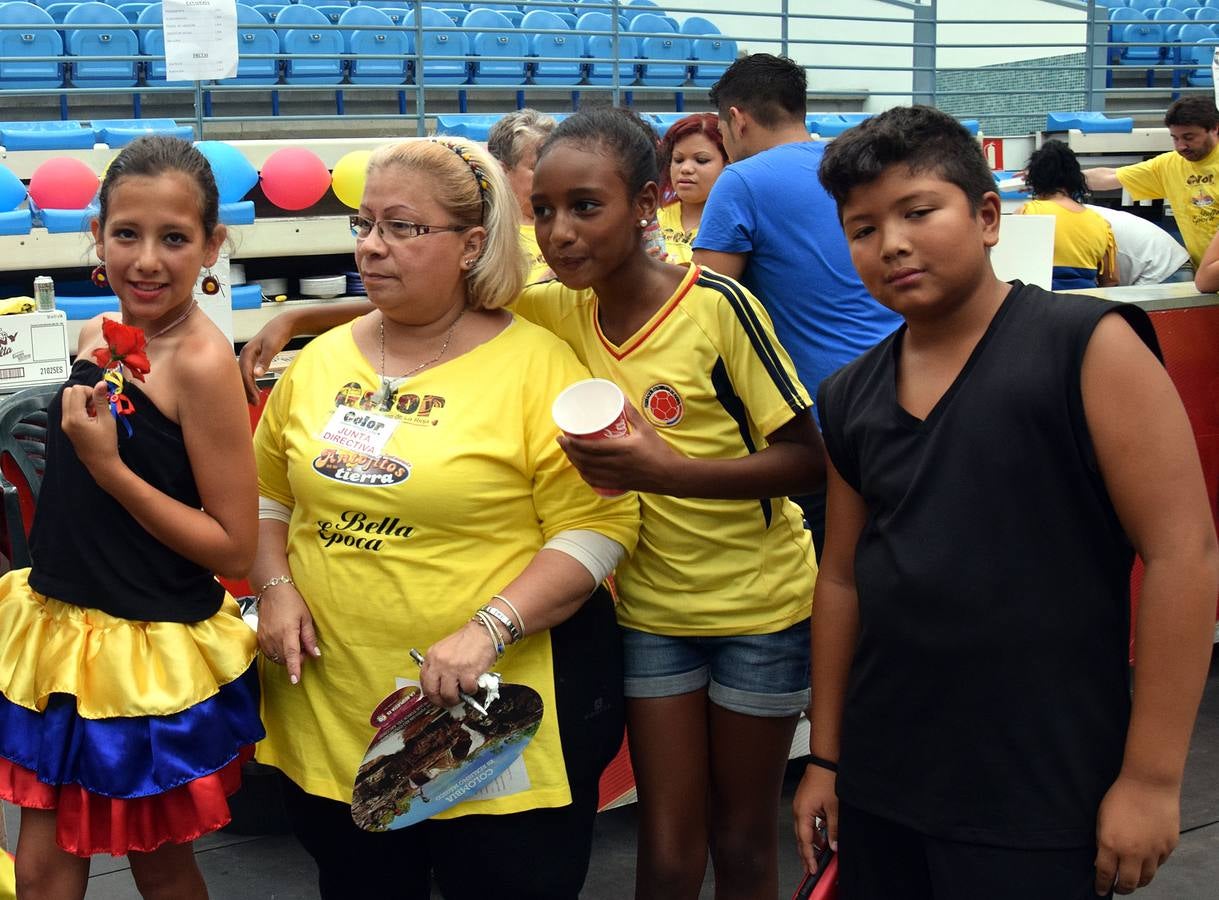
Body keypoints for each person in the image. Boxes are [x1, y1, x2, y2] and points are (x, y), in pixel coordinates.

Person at [794, 106, 1219, 900]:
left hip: (1040, 783)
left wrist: (1152, 778)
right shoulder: (848, 394)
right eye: (862, 229)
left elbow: (1182, 554)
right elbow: (842, 578)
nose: (891, 243)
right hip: (885, 777)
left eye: (918, 211)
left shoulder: (1086, 346)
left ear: (987, 217)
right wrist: (826, 757)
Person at [249, 137, 640, 900]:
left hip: (489, 721)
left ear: (469, 245)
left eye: (401, 227)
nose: (371, 245)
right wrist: (274, 586)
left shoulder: (537, 366)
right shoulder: (321, 361)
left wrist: (489, 628)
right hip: (334, 709)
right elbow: (268, 499)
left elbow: (597, 530)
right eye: (364, 224)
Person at [523, 106, 822, 900]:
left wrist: (667, 471)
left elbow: (809, 463)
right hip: (651, 615)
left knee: (742, 836)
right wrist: (310, 317)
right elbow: (451, 309)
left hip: (760, 608)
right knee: (665, 841)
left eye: (586, 206)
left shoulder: (718, 307)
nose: (560, 232)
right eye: (543, 211)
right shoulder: (553, 308)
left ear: (646, 204)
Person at [0, 135, 263, 898]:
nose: (146, 261)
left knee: (159, 862)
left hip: (140, 649)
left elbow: (234, 546)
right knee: (42, 868)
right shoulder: (95, 336)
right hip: (62, 626)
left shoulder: (203, 364)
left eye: (174, 239)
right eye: (127, 234)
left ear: (212, 246)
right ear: (96, 234)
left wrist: (110, 469)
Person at [692, 53, 902, 552]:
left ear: (737, 119)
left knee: (833, 571)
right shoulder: (855, 169)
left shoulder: (741, 180)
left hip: (820, 426)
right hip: (901, 401)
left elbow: (699, 307)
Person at [1084, 96, 1219, 269]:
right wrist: (1061, 178)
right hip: (1205, 272)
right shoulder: (1169, 165)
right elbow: (1110, 177)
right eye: (1175, 138)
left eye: (1189, 137)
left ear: (1215, 128)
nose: (1180, 146)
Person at [1016, 140, 1118, 290]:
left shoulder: (1026, 213)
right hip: (1086, 301)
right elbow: (1110, 282)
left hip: (1038, 299)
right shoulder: (1101, 223)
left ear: (1035, 180)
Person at [487, 107, 558, 283]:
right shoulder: (488, 235)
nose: (554, 175)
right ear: (502, 171)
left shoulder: (576, 223)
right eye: (538, 167)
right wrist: (551, 280)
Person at [655, 112, 728, 264]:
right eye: (678, 160)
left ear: (728, 164)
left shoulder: (734, 225)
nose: (685, 169)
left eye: (701, 160)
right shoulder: (653, 219)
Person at [1086, 203, 1191, 286]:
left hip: (1161, 270)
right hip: (1168, 264)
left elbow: (1110, 281)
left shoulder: (1085, 220)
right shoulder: (1086, 213)